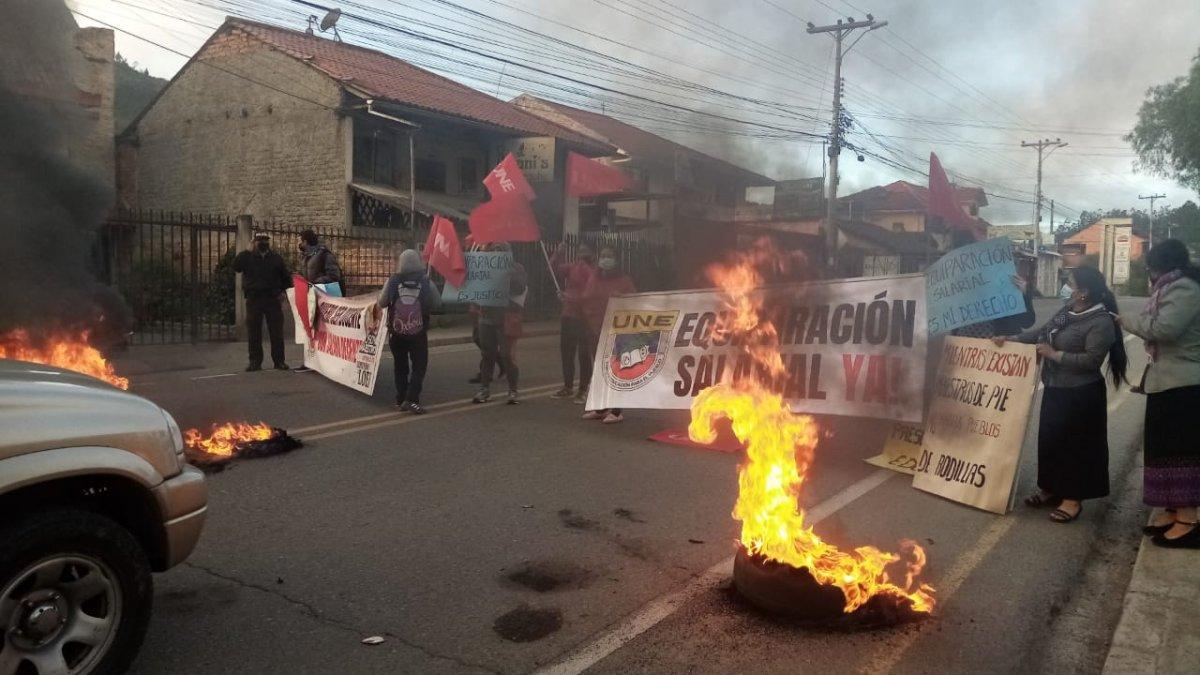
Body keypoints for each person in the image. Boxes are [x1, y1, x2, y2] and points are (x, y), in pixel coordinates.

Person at [995, 266, 1126, 523]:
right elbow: (1042, 332)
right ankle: (1051, 489)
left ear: (1084, 292)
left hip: (1082, 394)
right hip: (1055, 387)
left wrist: (1054, 355)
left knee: (1076, 447)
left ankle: (1073, 499)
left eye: (1071, 283)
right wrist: (1012, 338)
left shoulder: (1101, 321)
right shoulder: (1068, 311)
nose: (1067, 287)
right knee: (1051, 441)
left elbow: (1091, 360)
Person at [1118, 239, 1200, 548]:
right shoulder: (1170, 288)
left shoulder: (1185, 289)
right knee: (1162, 450)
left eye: (1151, 267)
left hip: (1183, 385)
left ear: (1163, 265)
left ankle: (1188, 520)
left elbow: (1164, 329)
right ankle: (1172, 510)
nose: (1150, 274)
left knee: (1180, 452)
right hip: (1166, 383)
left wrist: (1127, 321)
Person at [378, 249, 441, 414]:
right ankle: (412, 400)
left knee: (400, 366)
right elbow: (437, 304)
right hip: (418, 334)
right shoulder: (426, 282)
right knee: (419, 366)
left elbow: (382, 303)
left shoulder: (392, 281)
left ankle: (400, 399)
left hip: (396, 333)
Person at [580, 245, 636, 423]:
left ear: (616, 259)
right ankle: (601, 408)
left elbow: (634, 301)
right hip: (595, 328)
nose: (605, 259)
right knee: (599, 369)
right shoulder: (594, 278)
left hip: (616, 330)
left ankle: (617, 410)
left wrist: (622, 298)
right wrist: (568, 298)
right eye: (603, 255)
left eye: (609, 255)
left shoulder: (624, 280)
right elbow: (586, 299)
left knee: (616, 370)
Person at [473, 243, 526, 405]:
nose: (496, 253)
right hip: (486, 316)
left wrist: (507, 274)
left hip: (505, 318)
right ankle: (484, 389)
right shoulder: (485, 267)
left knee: (506, 355)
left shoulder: (516, 268)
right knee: (487, 354)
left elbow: (519, 288)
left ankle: (513, 390)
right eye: (494, 251)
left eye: (500, 251)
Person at [233, 232, 291, 371]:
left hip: (272, 299)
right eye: (260, 240)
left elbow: (286, 277)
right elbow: (236, 267)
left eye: (265, 240)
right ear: (254, 242)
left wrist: (284, 293)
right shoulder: (248, 257)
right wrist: (247, 250)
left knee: (276, 332)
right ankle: (255, 362)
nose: (263, 243)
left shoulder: (276, 258)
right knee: (254, 332)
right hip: (254, 299)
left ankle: (279, 361)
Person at [550, 242, 598, 403]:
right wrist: (558, 253)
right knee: (567, 352)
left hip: (584, 317)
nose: (581, 254)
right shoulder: (573, 267)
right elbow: (555, 269)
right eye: (579, 251)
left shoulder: (593, 271)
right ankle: (568, 386)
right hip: (568, 315)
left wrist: (568, 297)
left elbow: (590, 295)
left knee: (584, 354)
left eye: (585, 251)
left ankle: (583, 389)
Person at [298, 229, 342, 293]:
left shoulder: (324, 253)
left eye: (299, 241)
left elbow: (334, 275)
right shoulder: (304, 256)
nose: (298, 244)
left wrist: (316, 282)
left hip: (324, 293)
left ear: (305, 242)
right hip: (312, 292)